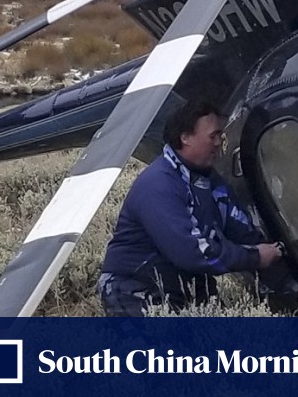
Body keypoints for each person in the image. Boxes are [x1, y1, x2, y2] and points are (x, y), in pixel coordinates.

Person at [97, 99, 283, 316]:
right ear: (185, 137)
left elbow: (243, 230)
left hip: (187, 288)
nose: (219, 142)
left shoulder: (211, 183)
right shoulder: (158, 185)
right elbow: (193, 253)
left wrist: (280, 264)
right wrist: (255, 257)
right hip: (134, 289)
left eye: (220, 135)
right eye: (213, 136)